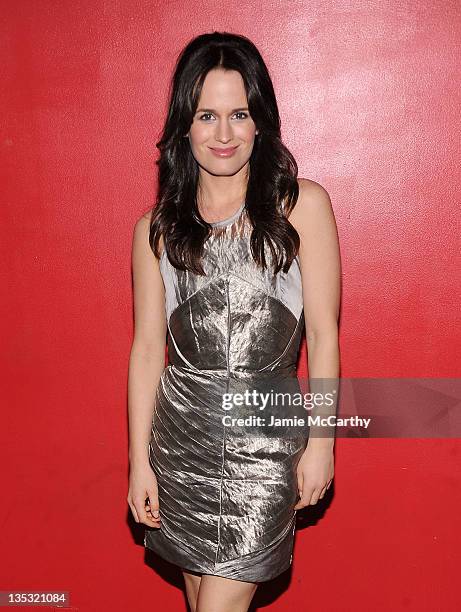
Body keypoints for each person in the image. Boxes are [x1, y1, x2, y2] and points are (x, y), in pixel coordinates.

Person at [127, 31, 340, 612]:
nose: (223, 134)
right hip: (180, 444)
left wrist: (321, 445)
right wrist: (138, 462)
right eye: (206, 115)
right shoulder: (156, 228)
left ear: (260, 120)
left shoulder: (302, 207)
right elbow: (147, 350)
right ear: (184, 125)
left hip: (265, 446)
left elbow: (323, 336)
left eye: (239, 114)